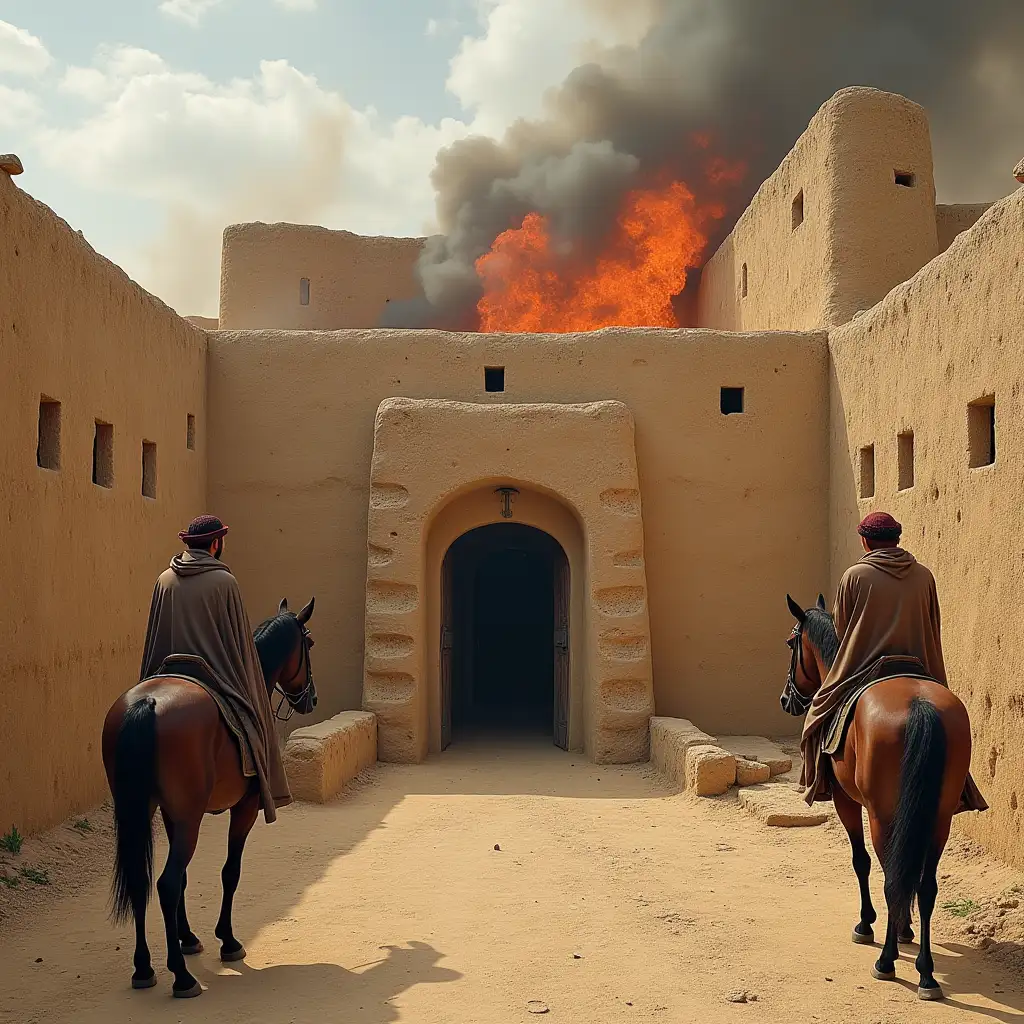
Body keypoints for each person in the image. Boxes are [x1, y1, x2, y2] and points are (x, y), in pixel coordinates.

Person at [800, 511, 987, 812]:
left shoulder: (854, 576)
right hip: (920, 666)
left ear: (865, 541)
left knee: (820, 711)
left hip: (865, 669)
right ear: (897, 539)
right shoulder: (924, 575)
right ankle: (961, 787)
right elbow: (932, 622)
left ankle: (820, 780)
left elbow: (841, 633)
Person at [138, 514, 292, 822]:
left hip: (164, 671)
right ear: (216, 543)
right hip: (213, 675)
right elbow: (239, 647)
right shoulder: (225, 582)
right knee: (254, 721)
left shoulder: (164, 580)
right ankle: (260, 781)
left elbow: (154, 637)